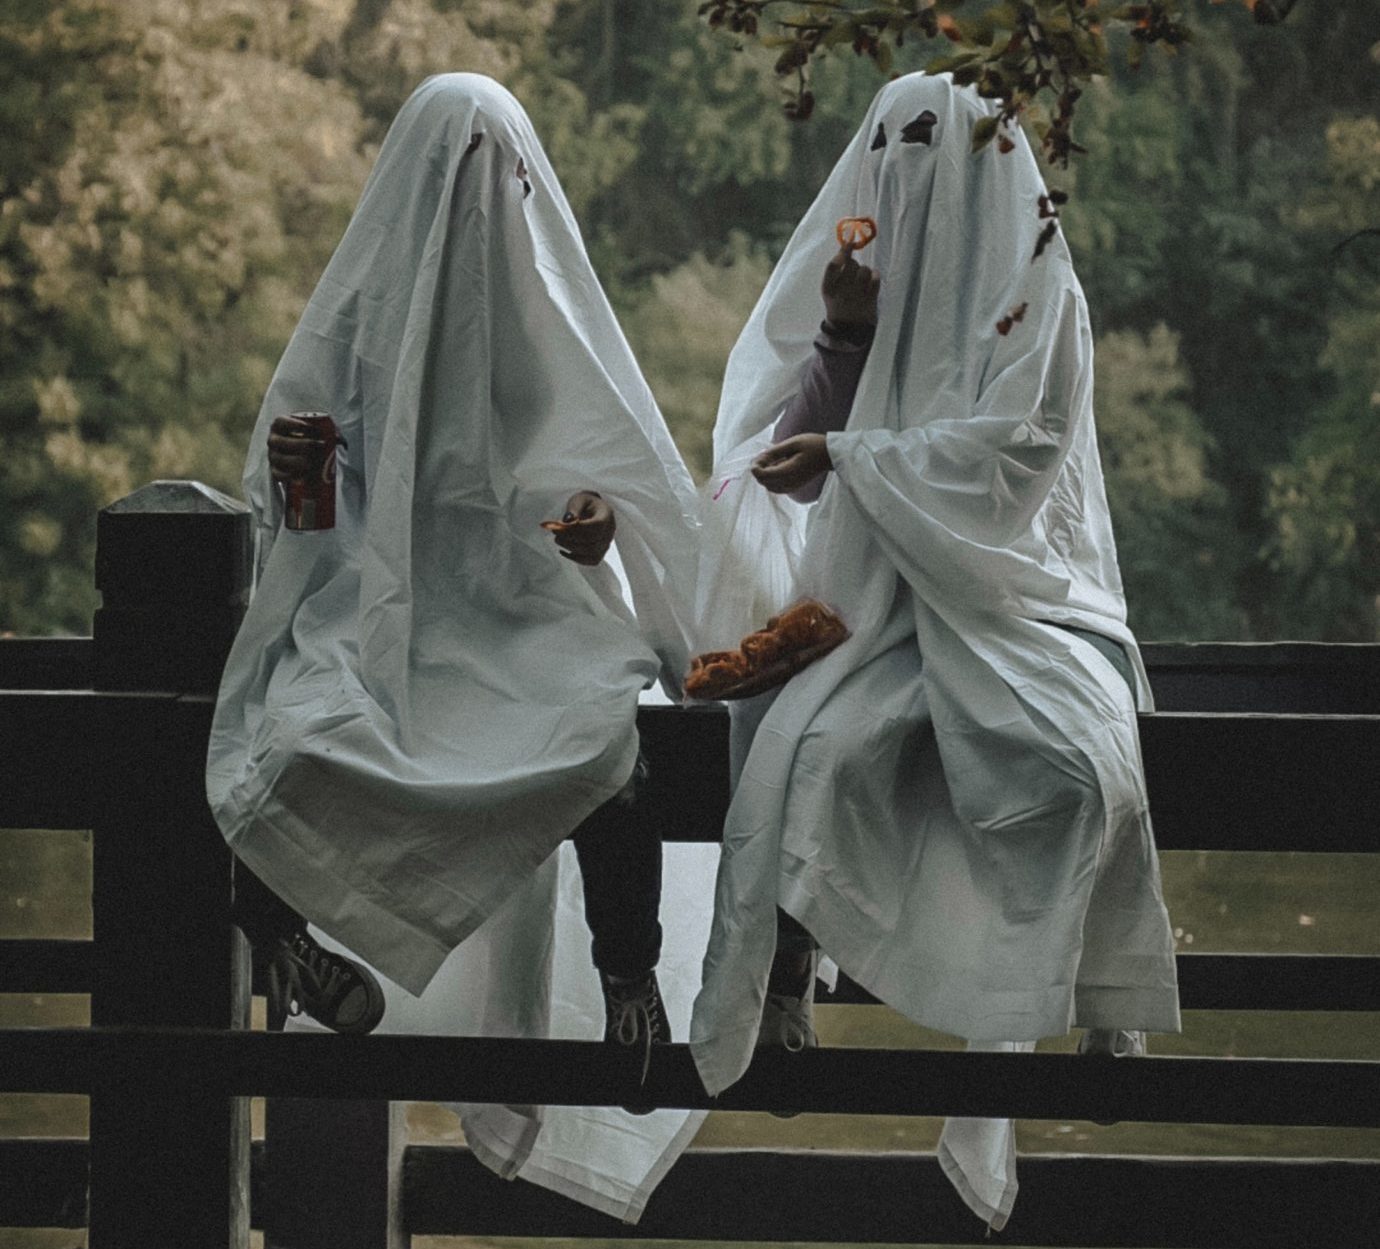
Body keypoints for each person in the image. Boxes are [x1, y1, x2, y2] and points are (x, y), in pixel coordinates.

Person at [206, 72, 713, 1220]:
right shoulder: (354, 319)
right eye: (453, 170)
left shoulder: (543, 309)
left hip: (516, 622)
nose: (471, 199)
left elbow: (604, 477)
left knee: (598, 741)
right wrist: (305, 479)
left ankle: (625, 974)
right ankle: (288, 939)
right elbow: (300, 519)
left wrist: (591, 533)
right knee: (285, 737)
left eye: (495, 173)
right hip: (373, 618)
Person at [688, 71, 1181, 1229]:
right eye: (891, 149)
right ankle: (785, 974)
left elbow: (1020, 459)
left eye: (936, 147)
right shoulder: (852, 285)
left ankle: (1085, 987)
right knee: (813, 751)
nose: (912, 175)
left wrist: (856, 459)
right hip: (872, 601)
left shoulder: (1039, 296)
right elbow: (770, 437)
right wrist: (846, 339)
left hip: (1016, 602)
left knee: (1060, 770)